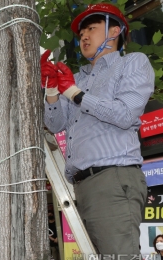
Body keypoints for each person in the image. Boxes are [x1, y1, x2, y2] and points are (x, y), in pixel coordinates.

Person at [41, 3, 154, 258]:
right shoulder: (79, 78)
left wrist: (72, 92)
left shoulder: (132, 63)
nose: (84, 36)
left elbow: (125, 114)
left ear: (114, 31)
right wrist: (50, 89)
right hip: (83, 186)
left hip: (112, 178)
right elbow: (56, 124)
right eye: (81, 33)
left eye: (91, 28)